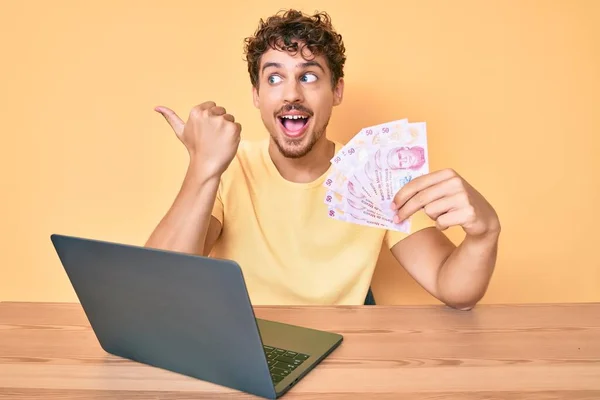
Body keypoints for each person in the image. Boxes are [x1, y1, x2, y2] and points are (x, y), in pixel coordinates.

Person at [145, 9, 501, 309]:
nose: (291, 94)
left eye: (309, 76)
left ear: (337, 91)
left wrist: (485, 233)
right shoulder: (226, 168)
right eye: (274, 78)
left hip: (341, 353)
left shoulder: (374, 173)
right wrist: (202, 167)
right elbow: (158, 288)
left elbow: (453, 287)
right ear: (256, 95)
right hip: (244, 346)